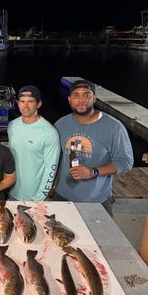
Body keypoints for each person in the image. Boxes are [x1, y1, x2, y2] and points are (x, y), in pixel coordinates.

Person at [53, 79, 134, 216]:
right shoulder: (61, 124)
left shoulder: (114, 127)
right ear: (69, 99)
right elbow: (55, 158)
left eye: (86, 95)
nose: (81, 100)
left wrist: (93, 172)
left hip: (96, 200)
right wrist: (52, 185)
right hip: (62, 196)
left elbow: (125, 162)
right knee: (61, 236)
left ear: (94, 98)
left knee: (101, 237)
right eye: (76, 95)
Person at [7, 85, 60, 201]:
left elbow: (51, 169)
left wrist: (40, 198)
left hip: (36, 198)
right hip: (12, 192)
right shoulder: (12, 126)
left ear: (39, 104)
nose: (25, 106)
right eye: (22, 101)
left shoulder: (49, 133)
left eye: (30, 101)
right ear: (17, 103)